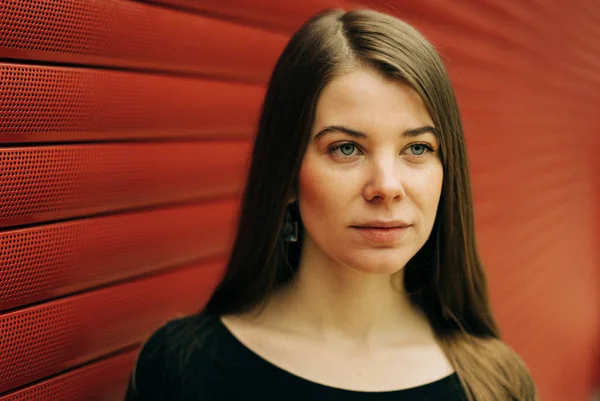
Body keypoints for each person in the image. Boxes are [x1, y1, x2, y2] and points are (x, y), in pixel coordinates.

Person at [125, 8, 537, 401]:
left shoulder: (497, 384)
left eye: (416, 147)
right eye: (346, 148)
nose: (387, 186)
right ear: (286, 174)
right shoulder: (180, 370)